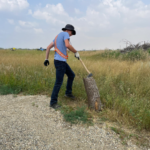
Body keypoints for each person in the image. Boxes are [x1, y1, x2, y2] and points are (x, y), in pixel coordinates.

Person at [44, 24, 80, 109]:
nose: (71, 35)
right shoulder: (65, 34)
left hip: (60, 62)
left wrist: (46, 59)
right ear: (68, 30)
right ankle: (53, 102)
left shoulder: (57, 37)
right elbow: (67, 45)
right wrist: (76, 52)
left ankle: (68, 93)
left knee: (71, 75)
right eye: (71, 33)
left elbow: (48, 47)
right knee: (58, 82)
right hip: (60, 63)